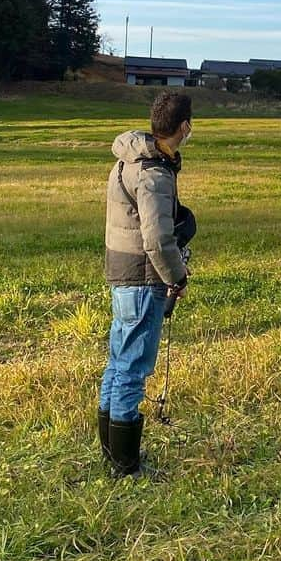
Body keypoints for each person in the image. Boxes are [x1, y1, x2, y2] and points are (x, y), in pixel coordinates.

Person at [98, 91, 194, 478]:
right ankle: (126, 466)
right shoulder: (153, 173)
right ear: (183, 127)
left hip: (122, 273)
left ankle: (111, 452)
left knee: (118, 364)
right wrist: (176, 276)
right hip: (142, 278)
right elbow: (156, 239)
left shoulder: (129, 158)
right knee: (133, 370)